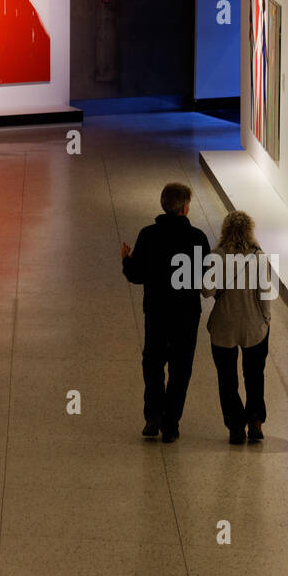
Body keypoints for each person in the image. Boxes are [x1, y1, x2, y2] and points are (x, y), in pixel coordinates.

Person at [121, 183, 210, 444]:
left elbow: (136, 275)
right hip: (186, 315)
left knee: (153, 364)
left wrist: (126, 259)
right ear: (184, 208)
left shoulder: (148, 235)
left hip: (157, 313)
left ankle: (152, 416)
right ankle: (171, 424)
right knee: (181, 369)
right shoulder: (197, 238)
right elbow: (203, 278)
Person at [202, 211, 271, 446]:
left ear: (225, 230)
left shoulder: (217, 256)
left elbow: (207, 292)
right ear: (250, 230)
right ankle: (255, 422)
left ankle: (235, 427)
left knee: (227, 379)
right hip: (254, 327)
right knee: (254, 376)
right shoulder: (259, 258)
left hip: (224, 326)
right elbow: (265, 296)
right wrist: (266, 319)